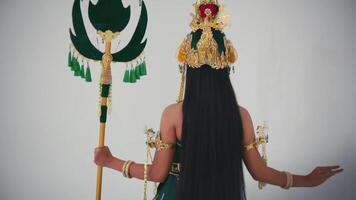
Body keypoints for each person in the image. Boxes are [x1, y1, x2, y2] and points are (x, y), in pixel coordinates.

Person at [94, 0, 343, 199]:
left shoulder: (173, 115)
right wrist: (307, 181)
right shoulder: (240, 115)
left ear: (188, 70)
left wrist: (111, 161)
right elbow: (259, 172)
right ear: (225, 70)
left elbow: (159, 173)